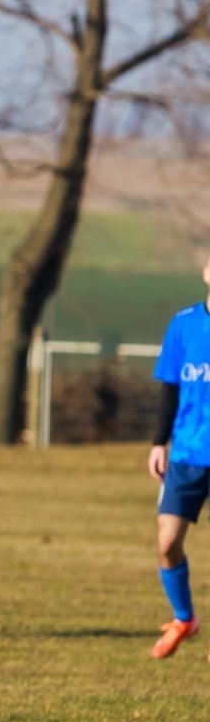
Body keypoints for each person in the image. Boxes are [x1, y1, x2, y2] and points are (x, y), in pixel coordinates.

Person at [147, 256, 210, 658]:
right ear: (207, 271)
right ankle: (184, 618)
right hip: (187, 454)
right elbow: (170, 388)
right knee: (167, 543)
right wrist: (159, 442)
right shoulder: (183, 324)